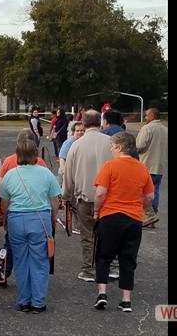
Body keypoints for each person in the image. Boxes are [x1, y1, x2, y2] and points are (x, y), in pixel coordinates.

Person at [93, 132, 154, 312]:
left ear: (119, 147)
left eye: (112, 147)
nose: (111, 150)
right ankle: (126, 299)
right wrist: (138, 206)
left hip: (110, 216)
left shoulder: (110, 166)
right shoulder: (142, 168)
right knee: (128, 259)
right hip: (134, 218)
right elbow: (149, 196)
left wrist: (97, 210)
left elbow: (100, 193)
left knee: (103, 256)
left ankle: (102, 293)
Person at [0, 137, 61, 313]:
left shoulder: (11, 174)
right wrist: (53, 218)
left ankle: (24, 299)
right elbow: (54, 199)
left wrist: (5, 218)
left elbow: (4, 201)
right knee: (40, 261)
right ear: (35, 153)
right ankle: (38, 301)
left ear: (17, 154)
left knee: (20, 260)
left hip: (16, 218)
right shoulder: (46, 173)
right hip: (39, 218)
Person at [61, 110, 117, 282]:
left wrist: (65, 196)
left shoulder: (76, 145)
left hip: (85, 197)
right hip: (109, 197)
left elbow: (68, 174)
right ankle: (111, 267)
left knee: (88, 235)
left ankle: (89, 269)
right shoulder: (111, 143)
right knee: (109, 233)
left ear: (83, 125)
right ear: (100, 123)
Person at [0, 129, 47, 286]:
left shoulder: (8, 161)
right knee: (36, 248)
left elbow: (0, 186)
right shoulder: (40, 162)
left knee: (10, 245)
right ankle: (34, 278)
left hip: (13, 208)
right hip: (36, 210)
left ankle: (3, 273)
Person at [135, 108, 168, 228]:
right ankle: (154, 213)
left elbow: (140, 146)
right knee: (155, 190)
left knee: (143, 191)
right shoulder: (165, 129)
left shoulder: (147, 128)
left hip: (146, 164)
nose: (145, 117)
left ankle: (149, 215)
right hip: (159, 165)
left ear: (152, 116)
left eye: (146, 115)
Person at [58, 122, 84, 234]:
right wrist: (65, 172)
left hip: (79, 176)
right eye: (77, 131)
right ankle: (76, 225)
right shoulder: (69, 143)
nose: (80, 133)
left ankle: (64, 218)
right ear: (73, 132)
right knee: (73, 200)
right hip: (69, 175)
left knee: (74, 200)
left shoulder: (84, 142)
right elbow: (62, 158)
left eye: (82, 130)